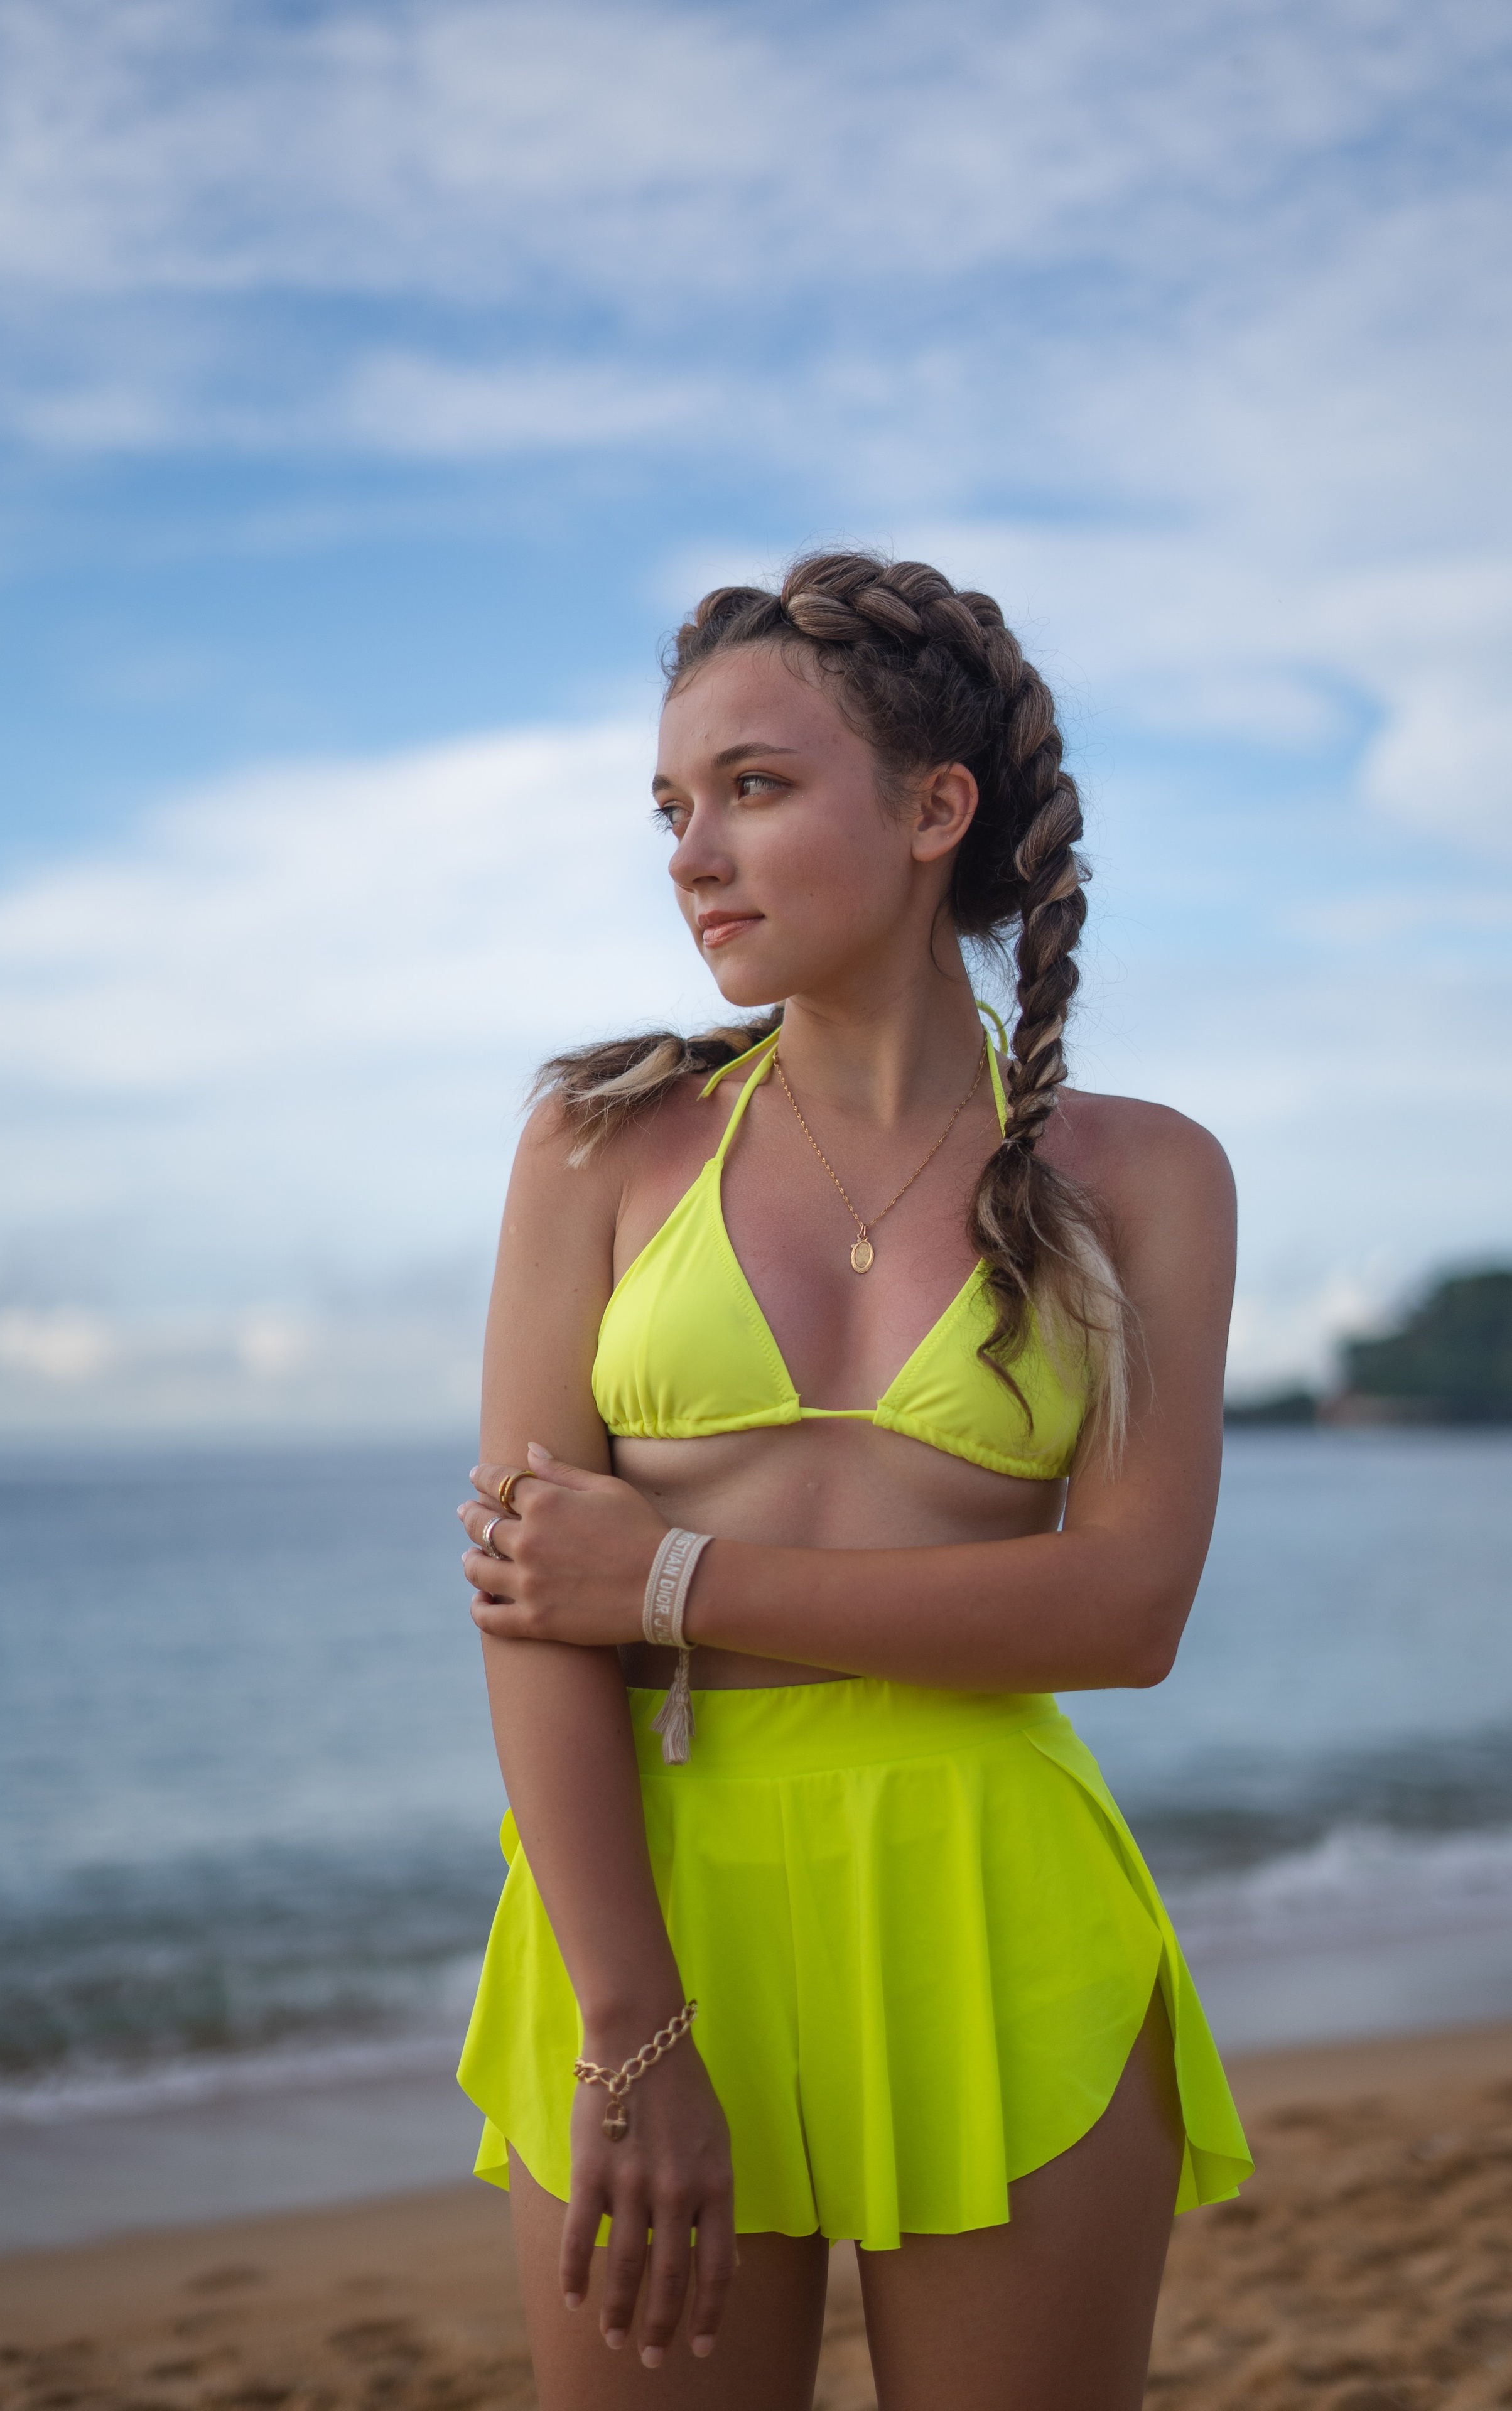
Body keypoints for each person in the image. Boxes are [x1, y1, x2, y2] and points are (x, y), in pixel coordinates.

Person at [454, 552, 1251, 2411]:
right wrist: (631, 2023)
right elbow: (524, 1608)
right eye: (670, 805)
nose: (691, 852)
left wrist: (667, 1582)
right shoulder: (598, 1146)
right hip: (638, 1912)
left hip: (998, 1921)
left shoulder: (1146, 1181)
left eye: (753, 787)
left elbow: (1125, 1611)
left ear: (931, 812)